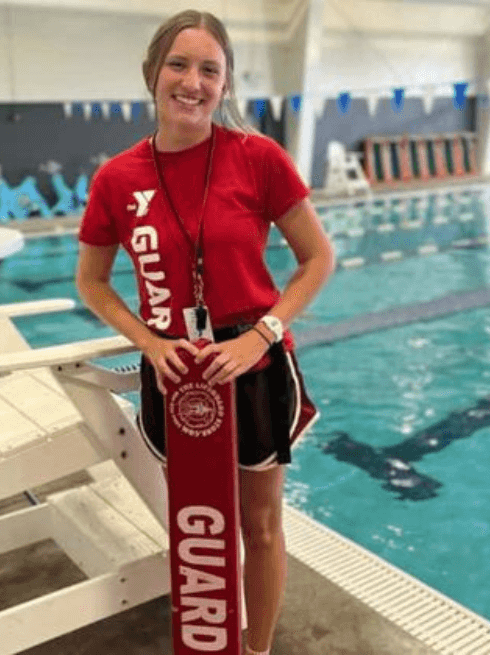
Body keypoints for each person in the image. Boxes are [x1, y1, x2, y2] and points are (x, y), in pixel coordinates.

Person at [75, 10, 335, 654]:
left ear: (225, 85)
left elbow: (317, 259)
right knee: (199, 527)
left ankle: (258, 648)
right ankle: (207, 639)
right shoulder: (118, 178)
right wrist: (151, 342)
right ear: (153, 74)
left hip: (254, 362)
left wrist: (263, 334)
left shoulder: (258, 158)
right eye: (179, 65)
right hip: (175, 372)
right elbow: (93, 283)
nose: (193, 82)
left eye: (209, 70)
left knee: (261, 525)